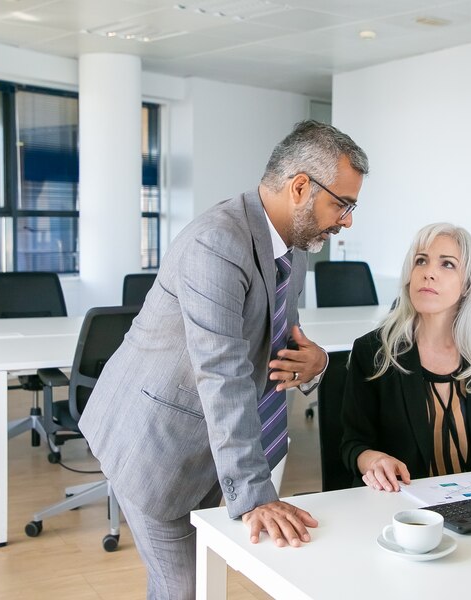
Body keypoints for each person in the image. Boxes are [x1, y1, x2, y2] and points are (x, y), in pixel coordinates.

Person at [79, 120, 369, 599]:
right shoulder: (217, 242)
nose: (347, 220)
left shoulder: (292, 251)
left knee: (194, 580)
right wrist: (255, 495)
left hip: (211, 445)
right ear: (300, 187)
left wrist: (315, 363)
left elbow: (278, 340)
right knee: (184, 588)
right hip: (154, 439)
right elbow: (222, 372)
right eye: (343, 204)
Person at [340, 222, 471, 493]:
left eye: (447, 264)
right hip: (402, 503)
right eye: (421, 261)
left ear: (467, 284)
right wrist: (375, 461)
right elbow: (353, 444)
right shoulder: (373, 352)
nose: (428, 273)